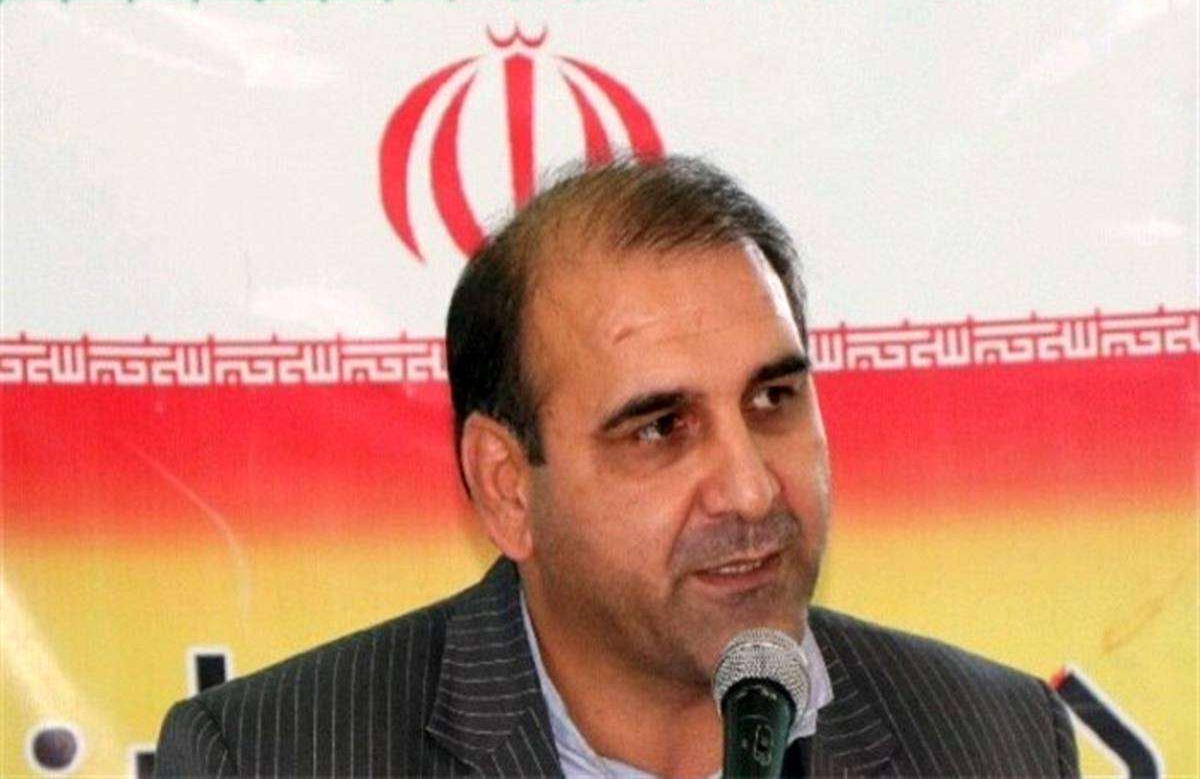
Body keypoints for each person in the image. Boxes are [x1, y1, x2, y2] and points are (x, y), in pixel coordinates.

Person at [156, 156, 1079, 778]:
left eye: (773, 399)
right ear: (507, 488)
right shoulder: (269, 756)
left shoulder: (996, 742)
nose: (751, 488)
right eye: (660, 429)